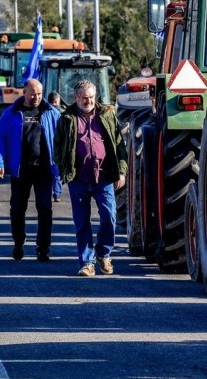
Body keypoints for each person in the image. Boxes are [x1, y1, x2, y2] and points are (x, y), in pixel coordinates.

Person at [55, 80, 127, 277]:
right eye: (84, 98)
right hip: (79, 178)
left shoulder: (107, 115)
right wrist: (64, 170)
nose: (88, 101)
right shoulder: (67, 118)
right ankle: (87, 262)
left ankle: (104, 253)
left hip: (104, 177)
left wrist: (121, 171)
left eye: (92, 97)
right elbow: (58, 147)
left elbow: (119, 145)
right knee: (82, 221)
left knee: (109, 216)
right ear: (76, 98)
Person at [0, 79, 60, 262]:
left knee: (45, 208)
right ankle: (18, 243)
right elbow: (0, 140)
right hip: (20, 170)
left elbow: (61, 140)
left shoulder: (51, 113)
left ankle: (43, 247)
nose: (36, 97)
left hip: (44, 170)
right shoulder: (11, 114)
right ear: (24, 92)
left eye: (39, 94)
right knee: (17, 209)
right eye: (32, 93)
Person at [47, 91, 63, 203]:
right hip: (57, 146)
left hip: (46, 146)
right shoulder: (61, 113)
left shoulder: (42, 112)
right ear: (57, 101)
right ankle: (57, 194)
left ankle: (46, 193)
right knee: (57, 173)